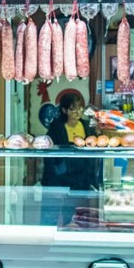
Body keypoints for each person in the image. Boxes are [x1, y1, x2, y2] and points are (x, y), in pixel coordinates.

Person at [42, 92, 102, 225]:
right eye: (72, 108)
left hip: (81, 180)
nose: (77, 112)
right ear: (64, 110)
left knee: (76, 217)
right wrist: (54, 185)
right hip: (60, 180)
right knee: (51, 216)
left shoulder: (87, 127)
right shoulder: (56, 129)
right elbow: (49, 159)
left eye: (80, 107)